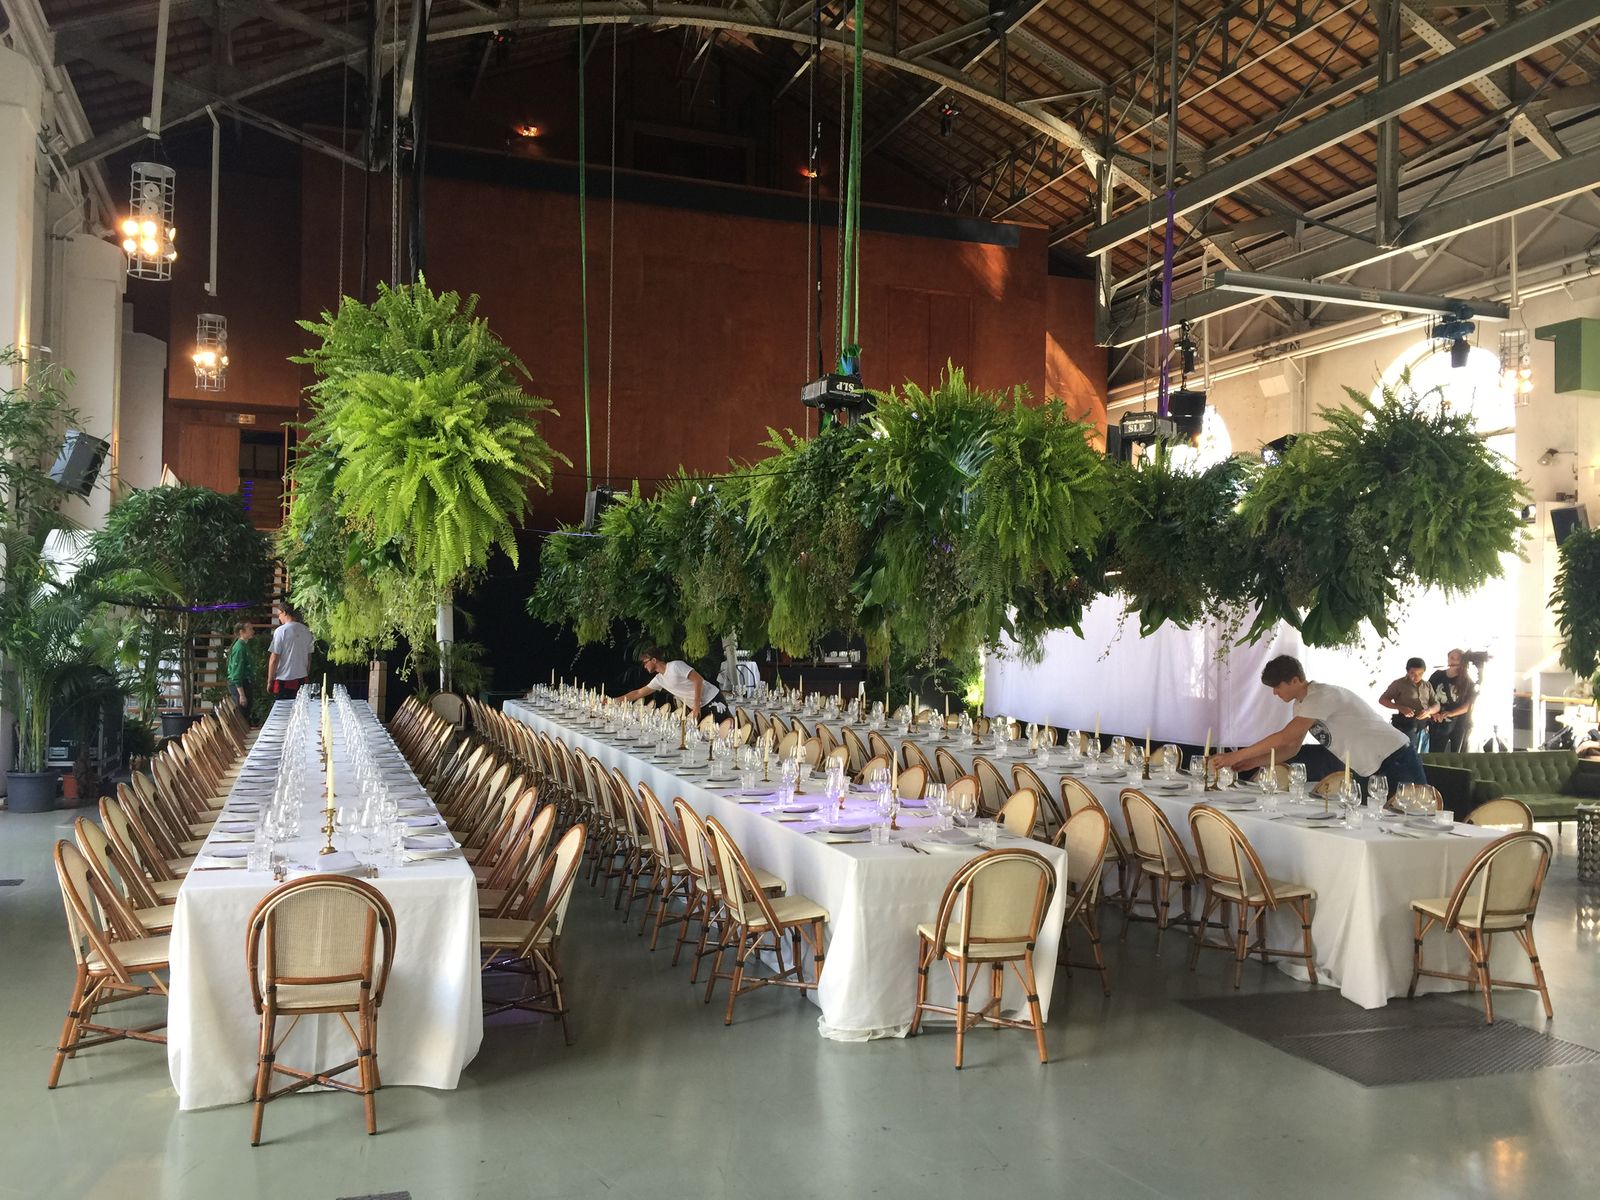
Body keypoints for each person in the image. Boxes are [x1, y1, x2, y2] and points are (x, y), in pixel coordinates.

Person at [1212, 654, 1428, 791]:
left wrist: (1236, 756)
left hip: (1396, 756)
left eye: (1277, 687)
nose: (1275, 693)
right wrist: (1253, 762)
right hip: (1367, 767)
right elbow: (1291, 748)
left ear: (1294, 680)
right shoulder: (1301, 705)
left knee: (1415, 818)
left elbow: (1285, 737)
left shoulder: (1320, 695)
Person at [614, 647, 723, 719]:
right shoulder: (659, 679)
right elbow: (638, 693)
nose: (644, 666)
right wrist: (614, 701)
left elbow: (698, 680)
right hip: (698, 706)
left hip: (712, 699)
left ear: (654, 660)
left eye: (645, 662)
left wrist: (696, 705)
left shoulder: (675, 666)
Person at [1378, 656, 1439, 752]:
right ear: (1407, 671)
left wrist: (1429, 711)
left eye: (1420, 674)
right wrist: (1400, 707)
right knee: (1408, 752)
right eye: (1412, 673)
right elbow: (1382, 700)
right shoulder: (1399, 684)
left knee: (1423, 755)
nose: (1416, 677)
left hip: (1423, 726)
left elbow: (1436, 704)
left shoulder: (1427, 685)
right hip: (1405, 724)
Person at [1427, 648, 1477, 754]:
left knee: (1456, 754)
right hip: (1437, 722)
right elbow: (1427, 695)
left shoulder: (1467, 681)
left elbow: (1469, 705)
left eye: (1457, 659)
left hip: (1459, 723)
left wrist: (1451, 713)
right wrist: (1432, 712)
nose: (1453, 661)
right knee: (1435, 753)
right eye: (1451, 657)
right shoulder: (1437, 675)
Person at [265, 600, 313, 701]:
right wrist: (306, 673)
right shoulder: (307, 631)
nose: (279, 618)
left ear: (284, 612)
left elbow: (274, 658)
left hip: (284, 680)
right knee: (302, 708)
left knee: (283, 709)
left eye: (279, 614)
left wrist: (270, 681)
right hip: (302, 679)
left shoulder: (281, 631)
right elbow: (309, 657)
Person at [226, 621, 255, 720]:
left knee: (246, 713)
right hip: (240, 684)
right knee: (242, 715)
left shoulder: (243, 645)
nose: (253, 631)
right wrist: (242, 695)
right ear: (242, 632)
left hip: (245, 682)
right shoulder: (239, 648)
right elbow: (236, 672)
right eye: (250, 629)